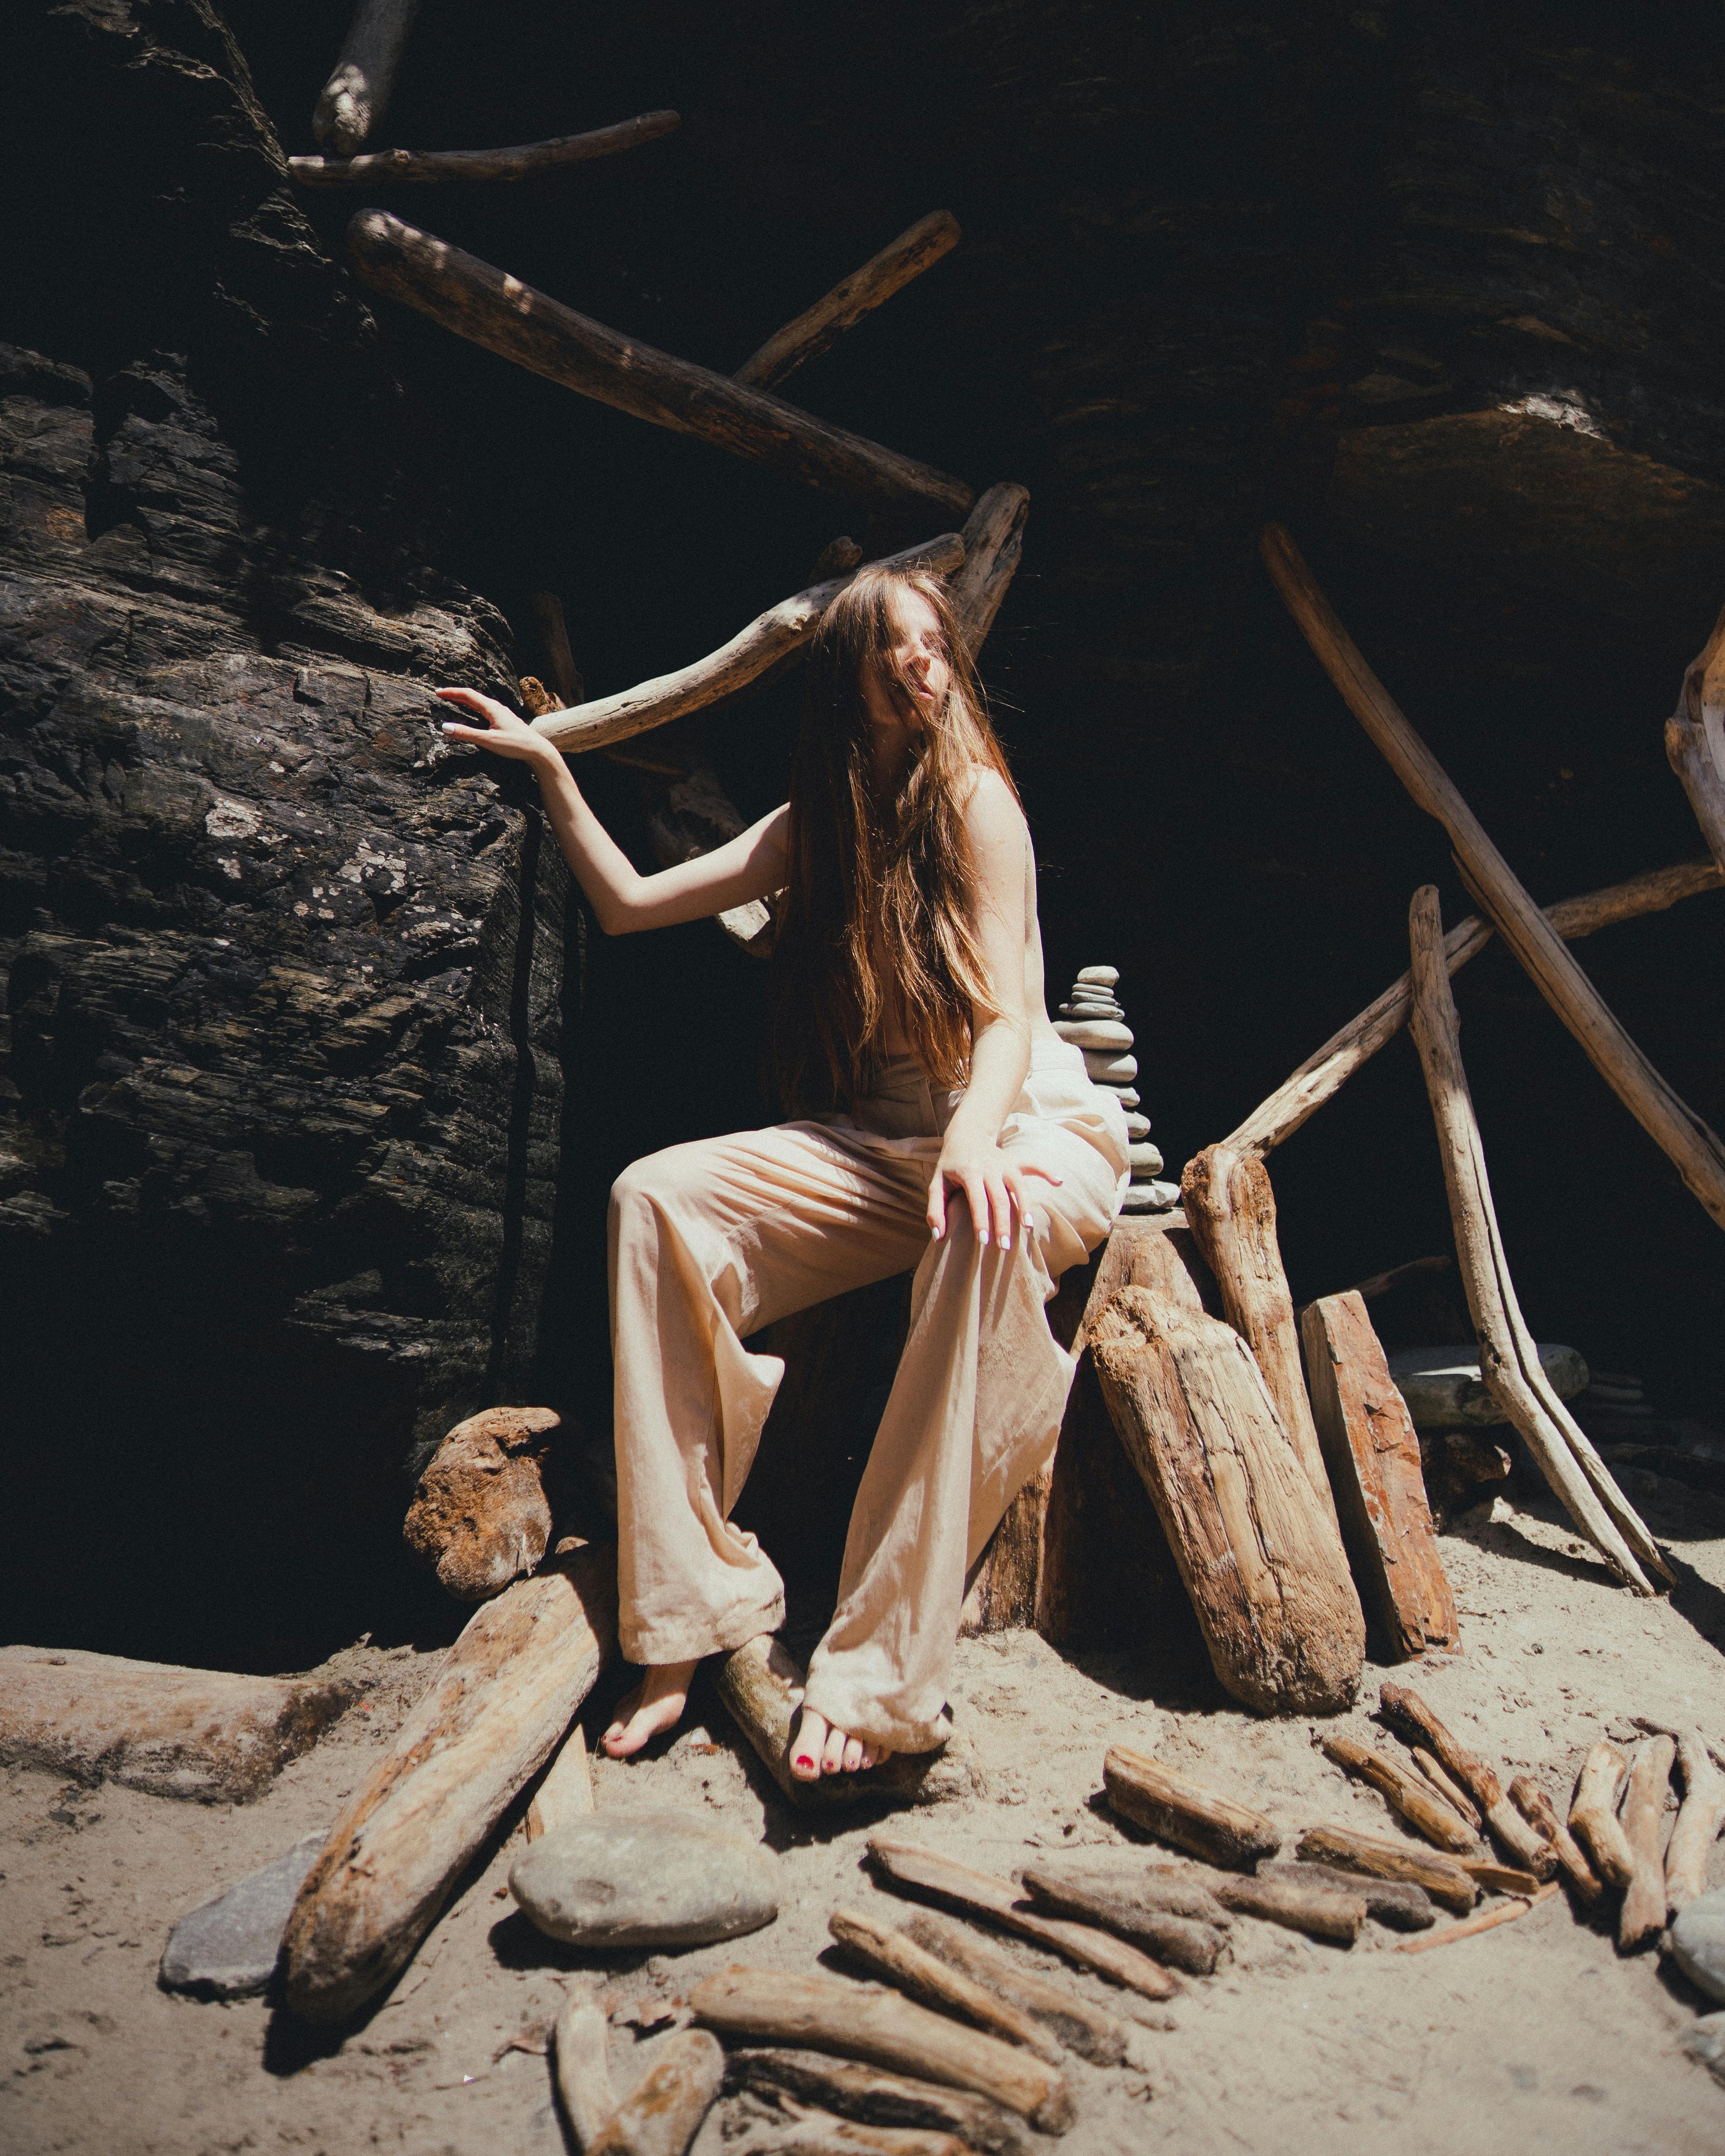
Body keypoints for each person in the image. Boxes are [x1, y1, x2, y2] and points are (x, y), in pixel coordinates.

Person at [435, 565, 1128, 1781]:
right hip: (882, 1146)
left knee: (982, 1228)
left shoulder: (979, 805)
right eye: (891, 649)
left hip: (1020, 1131)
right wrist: (550, 769)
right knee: (657, 1197)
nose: (922, 664)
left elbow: (1013, 1017)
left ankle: (875, 1672)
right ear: (849, 684)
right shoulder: (824, 822)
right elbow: (632, 904)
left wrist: (974, 1142)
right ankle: (686, 1617)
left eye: (934, 644)